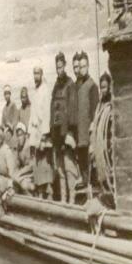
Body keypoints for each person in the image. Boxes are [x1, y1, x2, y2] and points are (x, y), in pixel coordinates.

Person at [50, 52, 78, 203]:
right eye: (57, 67)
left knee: (69, 169)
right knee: (60, 170)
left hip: (66, 134)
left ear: (65, 66)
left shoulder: (70, 84)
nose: (59, 70)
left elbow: (72, 111)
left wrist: (70, 133)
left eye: (61, 67)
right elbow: (52, 109)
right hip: (56, 136)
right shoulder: (55, 86)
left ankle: (72, 201)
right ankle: (63, 199)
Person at [75, 52, 99, 189]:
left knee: (91, 163)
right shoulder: (78, 85)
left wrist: (92, 133)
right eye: (80, 66)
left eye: (84, 66)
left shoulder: (92, 86)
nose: (82, 69)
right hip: (79, 133)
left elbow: (94, 112)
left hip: (88, 133)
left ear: (88, 66)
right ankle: (85, 184)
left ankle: (93, 187)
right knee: (82, 161)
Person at [11, 122, 35, 195]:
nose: (19, 138)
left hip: (32, 175)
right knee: (12, 181)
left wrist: (19, 173)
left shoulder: (29, 146)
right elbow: (17, 163)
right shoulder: (19, 147)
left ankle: (31, 200)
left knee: (23, 184)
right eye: (18, 135)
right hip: (24, 174)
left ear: (25, 135)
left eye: (21, 135)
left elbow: (31, 166)